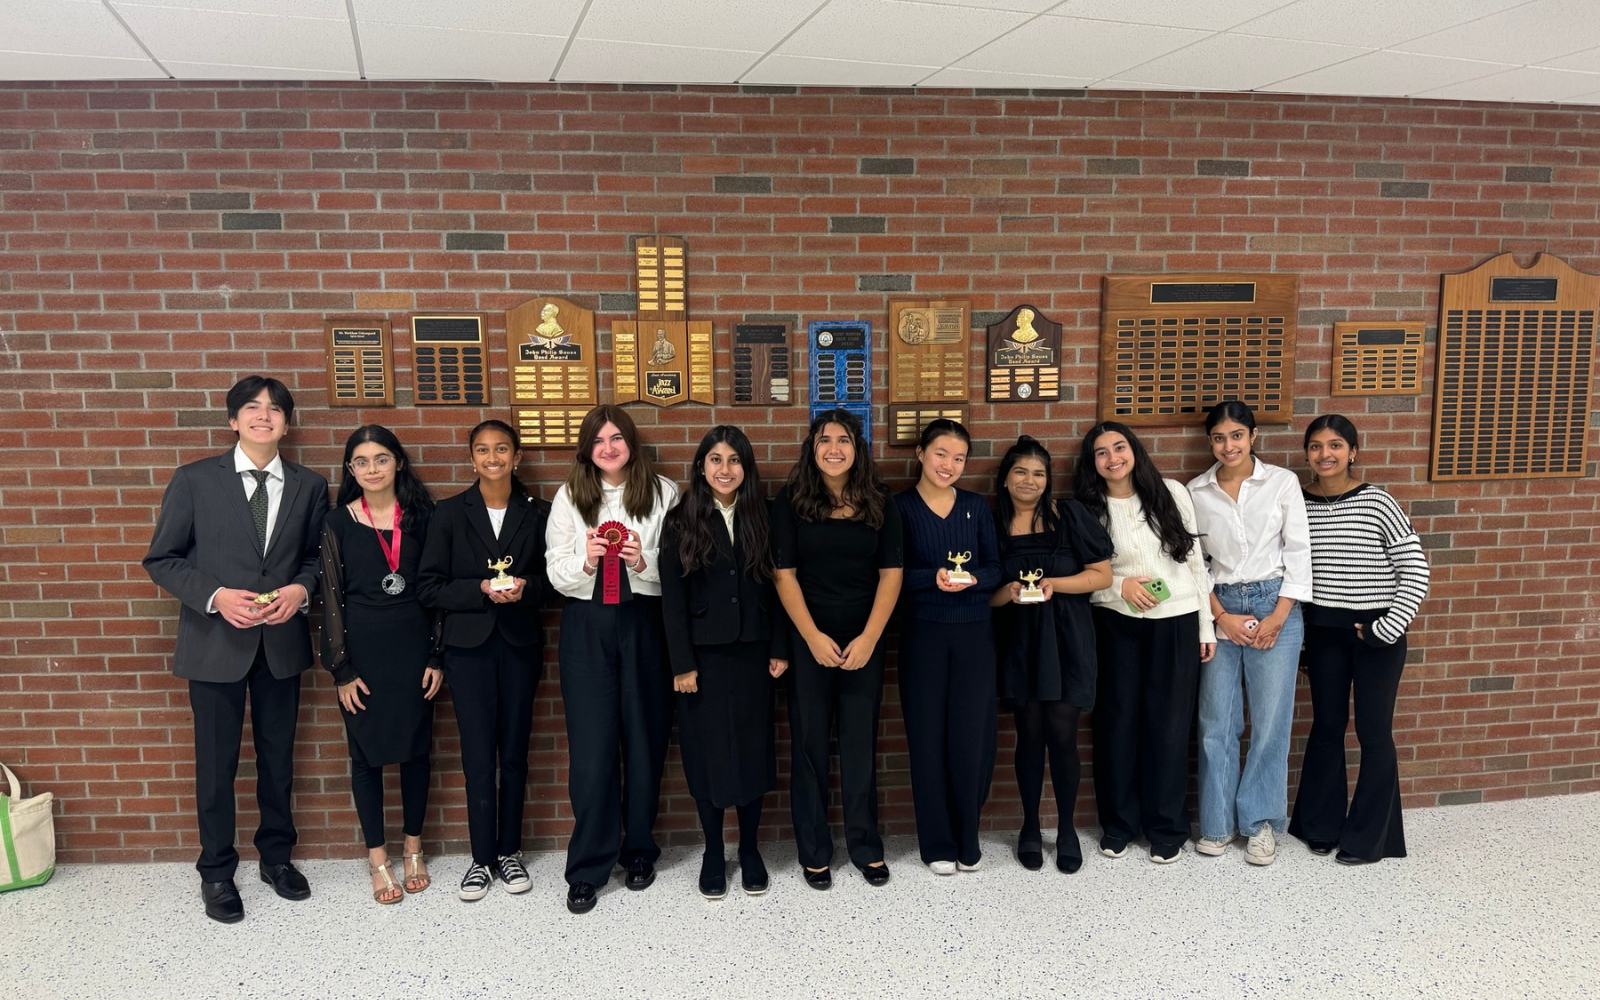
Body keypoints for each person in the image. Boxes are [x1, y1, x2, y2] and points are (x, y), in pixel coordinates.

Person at [142, 375, 329, 923]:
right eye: (252, 408)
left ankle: (277, 859)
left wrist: (301, 590)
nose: (264, 416)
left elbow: (319, 562)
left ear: (287, 424)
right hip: (215, 643)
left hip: (280, 642)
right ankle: (218, 872)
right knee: (216, 765)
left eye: (275, 409)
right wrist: (217, 596)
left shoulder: (310, 485)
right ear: (233, 420)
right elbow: (162, 559)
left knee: (277, 762)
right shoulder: (196, 480)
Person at [545, 404, 679, 914]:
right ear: (586, 447)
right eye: (598, 440)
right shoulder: (569, 495)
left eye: (616, 438)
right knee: (593, 748)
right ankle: (587, 866)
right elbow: (555, 571)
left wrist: (641, 562)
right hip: (587, 627)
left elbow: (681, 568)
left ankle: (639, 850)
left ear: (631, 442)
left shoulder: (664, 492)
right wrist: (586, 560)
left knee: (644, 739)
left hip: (644, 621)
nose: (608, 448)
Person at [415, 420, 549, 902]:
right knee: (477, 756)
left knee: (514, 753)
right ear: (471, 459)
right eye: (482, 450)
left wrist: (526, 588)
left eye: (502, 449)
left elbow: (555, 581)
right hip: (468, 650)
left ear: (516, 457)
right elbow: (428, 585)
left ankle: (509, 851)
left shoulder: (539, 513)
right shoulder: (449, 513)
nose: (492, 458)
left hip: (518, 646)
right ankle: (481, 858)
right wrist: (478, 589)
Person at [1289, 415, 1429, 865]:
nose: (1324, 454)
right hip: (1324, 633)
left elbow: (1416, 570)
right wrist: (1304, 641)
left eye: (1334, 445)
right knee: (1327, 728)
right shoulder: (1298, 503)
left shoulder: (1377, 502)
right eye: (1315, 446)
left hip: (1377, 632)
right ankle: (1320, 826)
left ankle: (1370, 839)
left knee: (1373, 732)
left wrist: (1388, 627)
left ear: (1352, 451)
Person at [771, 409, 903, 890]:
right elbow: (783, 575)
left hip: (865, 639)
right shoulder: (791, 502)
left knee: (858, 744)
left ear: (857, 447)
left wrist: (869, 638)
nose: (833, 448)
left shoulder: (880, 502)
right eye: (824, 440)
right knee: (807, 747)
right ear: (812, 447)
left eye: (843, 440)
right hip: (810, 638)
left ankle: (866, 846)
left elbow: (892, 575)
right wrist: (810, 637)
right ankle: (814, 851)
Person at [1075, 423, 1214, 865]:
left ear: (1133, 450)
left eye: (1119, 447)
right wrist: (1120, 585)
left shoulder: (1171, 492)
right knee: (1117, 727)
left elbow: (1195, 563)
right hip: (1116, 625)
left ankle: (1166, 828)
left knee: (1169, 729)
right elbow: (1084, 578)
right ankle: (1119, 825)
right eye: (1101, 452)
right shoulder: (1087, 508)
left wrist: (1205, 628)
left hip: (1176, 622)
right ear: (1091, 462)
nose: (1112, 457)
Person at [659, 426, 788, 899]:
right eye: (715, 459)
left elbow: (780, 589)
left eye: (734, 460)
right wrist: (681, 663)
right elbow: (671, 600)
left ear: (746, 468)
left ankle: (749, 848)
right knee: (705, 752)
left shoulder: (766, 516)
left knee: (753, 749)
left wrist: (779, 646)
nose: (725, 469)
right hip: (703, 659)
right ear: (700, 467)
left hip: (755, 652)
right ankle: (715, 849)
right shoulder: (680, 521)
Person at [1187, 400, 1312, 867]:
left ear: (1253, 436)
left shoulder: (1281, 482)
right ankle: (1217, 826)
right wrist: (1220, 616)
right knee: (1216, 721)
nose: (1228, 445)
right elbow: (1194, 565)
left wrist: (1279, 616)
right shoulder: (1196, 491)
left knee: (1270, 722)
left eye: (1237, 436)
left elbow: (1298, 551)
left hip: (1275, 601)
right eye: (1219, 438)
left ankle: (1260, 824)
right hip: (1221, 605)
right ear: (1210, 442)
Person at [319, 425, 440, 904]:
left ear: (399, 463)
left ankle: (413, 848)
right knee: (365, 758)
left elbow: (436, 590)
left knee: (415, 753)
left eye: (381, 459)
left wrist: (437, 654)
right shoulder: (337, 522)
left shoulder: (423, 517)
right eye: (361, 462)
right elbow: (329, 597)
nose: (372, 469)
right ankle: (378, 858)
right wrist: (341, 669)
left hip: (414, 650)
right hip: (362, 654)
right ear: (351, 470)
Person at [991, 435, 1112, 873]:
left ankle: (1064, 828)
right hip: (1020, 643)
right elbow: (985, 597)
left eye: (1039, 473)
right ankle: (1028, 826)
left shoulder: (1069, 515)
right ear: (1005, 479)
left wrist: (1054, 585)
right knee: (1029, 737)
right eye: (1021, 472)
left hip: (1067, 639)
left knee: (1062, 736)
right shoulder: (992, 524)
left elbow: (1101, 576)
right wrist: (1008, 592)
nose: (1030, 480)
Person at [894, 419, 1002, 874]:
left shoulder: (977, 506)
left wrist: (975, 579)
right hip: (923, 636)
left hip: (975, 635)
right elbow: (890, 575)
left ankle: (967, 838)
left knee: (970, 738)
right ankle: (937, 844)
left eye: (959, 458)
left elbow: (998, 568)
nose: (949, 465)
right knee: (926, 739)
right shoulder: (898, 507)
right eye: (941, 454)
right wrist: (930, 578)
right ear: (920, 453)